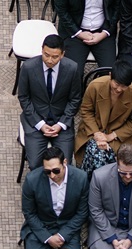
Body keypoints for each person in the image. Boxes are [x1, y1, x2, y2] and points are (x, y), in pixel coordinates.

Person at [20, 33, 84, 169]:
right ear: (42, 50)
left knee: (64, 164)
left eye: (55, 57)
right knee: (35, 165)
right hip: (35, 122)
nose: (49, 60)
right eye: (46, 54)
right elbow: (24, 98)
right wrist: (40, 124)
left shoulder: (72, 69)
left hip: (61, 122)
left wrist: (61, 124)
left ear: (62, 54)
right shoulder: (28, 67)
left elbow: (75, 99)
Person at [21, 144, 90, 249]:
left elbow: (82, 213)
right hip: (40, 230)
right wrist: (47, 237)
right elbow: (29, 213)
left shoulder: (81, 178)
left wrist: (63, 235)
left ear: (65, 162)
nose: (52, 176)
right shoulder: (32, 180)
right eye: (47, 172)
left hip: (68, 229)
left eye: (56, 171)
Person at [56, 0, 123, 72]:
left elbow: (117, 9)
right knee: (72, 72)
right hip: (75, 32)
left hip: (103, 32)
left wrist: (104, 33)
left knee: (109, 73)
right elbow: (61, 9)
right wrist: (78, 33)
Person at [76, 59, 132, 171]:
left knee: (103, 158)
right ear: (110, 76)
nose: (119, 89)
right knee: (95, 154)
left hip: (120, 135)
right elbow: (86, 110)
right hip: (94, 128)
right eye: (116, 84)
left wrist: (112, 136)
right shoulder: (95, 86)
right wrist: (96, 133)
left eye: (124, 86)